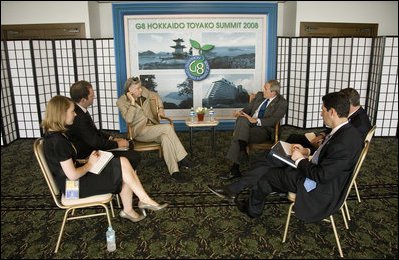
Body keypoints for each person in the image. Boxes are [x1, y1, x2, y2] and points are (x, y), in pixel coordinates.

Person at [208, 91, 364, 222]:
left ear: (333, 112)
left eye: (323, 110)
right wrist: (306, 152)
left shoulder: (344, 142)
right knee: (272, 156)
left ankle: (244, 199)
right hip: (315, 171)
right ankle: (239, 193)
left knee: (266, 174)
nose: (321, 113)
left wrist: (300, 160)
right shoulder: (345, 131)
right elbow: (327, 157)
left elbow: (321, 175)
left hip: (318, 188)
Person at [42, 95, 167, 223]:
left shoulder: (54, 135)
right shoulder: (58, 142)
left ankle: (137, 204)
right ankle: (138, 204)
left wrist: (87, 161)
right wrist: (90, 164)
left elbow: (65, 165)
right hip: (73, 189)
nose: (75, 114)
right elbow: (72, 175)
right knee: (123, 170)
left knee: (124, 162)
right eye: (72, 111)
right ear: (61, 114)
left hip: (73, 182)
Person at [116, 76, 198, 184]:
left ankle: (175, 172)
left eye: (140, 87)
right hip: (139, 131)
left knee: (165, 138)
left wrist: (161, 109)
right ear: (130, 90)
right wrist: (132, 103)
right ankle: (182, 159)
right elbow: (128, 120)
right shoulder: (121, 102)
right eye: (138, 89)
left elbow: (156, 96)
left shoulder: (144, 91)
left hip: (154, 127)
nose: (141, 89)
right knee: (167, 128)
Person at [220, 79, 288, 181]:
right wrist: (240, 112)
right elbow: (248, 109)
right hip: (248, 125)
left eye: (266, 89)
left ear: (273, 92)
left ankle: (235, 168)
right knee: (242, 119)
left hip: (263, 129)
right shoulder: (260, 95)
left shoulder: (281, 103)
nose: (263, 90)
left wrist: (256, 120)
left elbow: (274, 120)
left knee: (239, 136)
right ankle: (242, 149)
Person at [67, 80, 141, 170]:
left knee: (129, 144)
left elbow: (94, 132)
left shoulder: (80, 109)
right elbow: (95, 142)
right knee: (133, 156)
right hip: (88, 154)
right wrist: (117, 144)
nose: (94, 97)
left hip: (94, 146)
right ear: (83, 100)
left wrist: (112, 138)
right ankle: (119, 178)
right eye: (91, 95)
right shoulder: (78, 117)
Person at [286, 87, 371, 150]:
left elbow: (345, 145)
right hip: (327, 138)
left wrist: (321, 142)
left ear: (348, 103)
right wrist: (322, 135)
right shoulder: (357, 113)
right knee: (293, 137)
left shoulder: (359, 125)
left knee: (294, 139)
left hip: (330, 148)